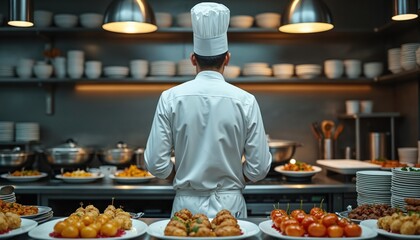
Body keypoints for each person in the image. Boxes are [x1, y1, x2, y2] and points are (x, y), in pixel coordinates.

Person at [144, 2, 272, 218]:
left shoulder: (170, 98)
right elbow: (258, 168)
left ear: (193, 59)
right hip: (230, 208)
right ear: (227, 59)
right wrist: (234, 178)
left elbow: (156, 163)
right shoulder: (245, 100)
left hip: (185, 208)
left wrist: (183, 176)